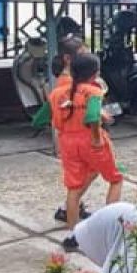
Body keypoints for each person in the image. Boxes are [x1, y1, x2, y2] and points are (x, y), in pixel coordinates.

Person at [50, 53, 123, 250]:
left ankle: (73, 235)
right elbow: (91, 117)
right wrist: (97, 138)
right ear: (95, 74)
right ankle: (108, 228)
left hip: (68, 142)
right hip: (90, 140)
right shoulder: (93, 91)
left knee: (74, 188)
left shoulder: (58, 92)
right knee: (116, 179)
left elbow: (48, 119)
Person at [31, 32, 93, 225]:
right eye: (81, 54)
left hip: (75, 137)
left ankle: (70, 207)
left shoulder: (71, 80)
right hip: (75, 137)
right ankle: (69, 212)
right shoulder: (68, 83)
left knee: (87, 173)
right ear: (68, 58)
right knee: (85, 175)